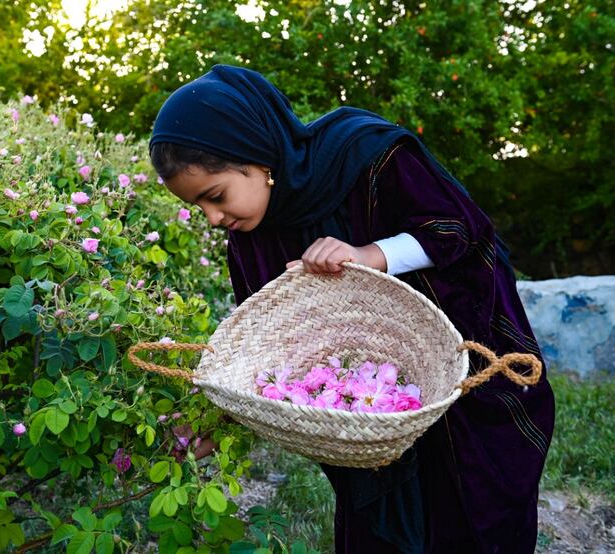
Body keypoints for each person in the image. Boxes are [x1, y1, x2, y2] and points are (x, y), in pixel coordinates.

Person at [148, 64, 555, 553]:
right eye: (199, 208)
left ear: (256, 156)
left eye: (215, 196)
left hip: (458, 385)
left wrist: (368, 257)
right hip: (369, 419)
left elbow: (458, 229)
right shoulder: (250, 240)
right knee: (381, 531)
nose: (214, 218)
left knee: (468, 516)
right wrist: (219, 416)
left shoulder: (365, 154)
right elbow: (271, 347)